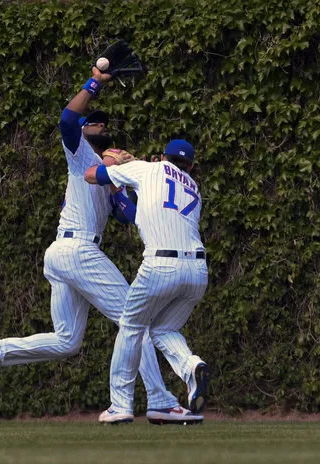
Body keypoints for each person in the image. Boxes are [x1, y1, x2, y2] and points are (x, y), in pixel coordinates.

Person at [0, 66, 202, 425]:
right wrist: (95, 80)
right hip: (77, 249)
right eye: (95, 122)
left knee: (67, 341)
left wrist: (116, 180)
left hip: (63, 253)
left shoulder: (107, 168)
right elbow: (66, 119)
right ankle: (161, 400)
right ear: (84, 131)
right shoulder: (79, 152)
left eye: (103, 123)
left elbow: (128, 216)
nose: (101, 125)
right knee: (133, 321)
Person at [84, 139, 210, 424]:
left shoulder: (148, 170)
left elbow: (91, 175)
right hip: (197, 270)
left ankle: (120, 406)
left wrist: (115, 165)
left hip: (161, 264)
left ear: (162, 156)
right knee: (163, 328)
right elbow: (136, 212)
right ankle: (191, 366)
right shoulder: (193, 188)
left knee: (130, 326)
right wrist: (124, 185)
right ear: (190, 166)